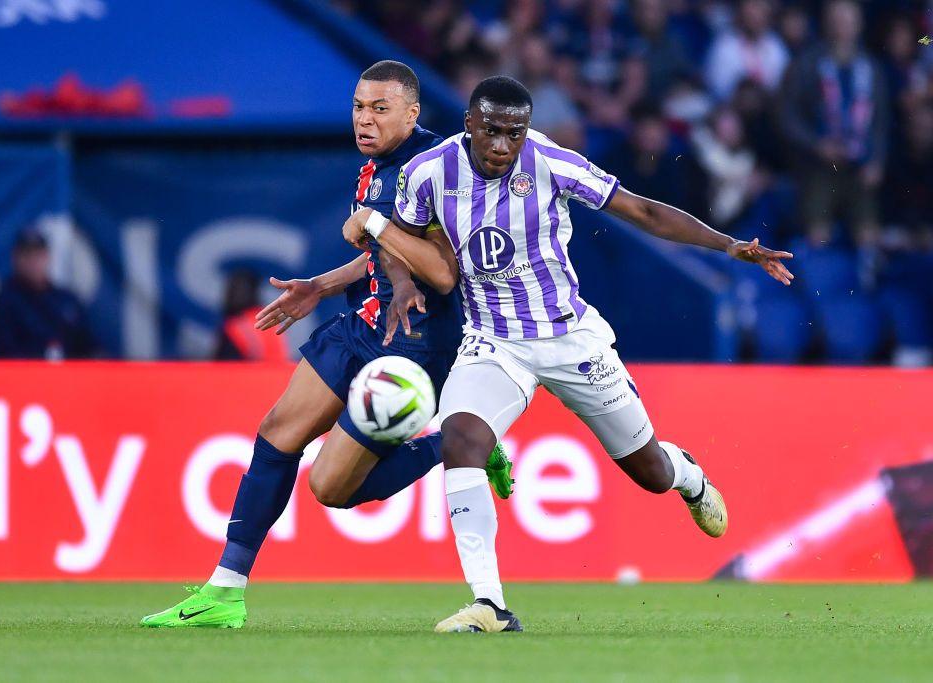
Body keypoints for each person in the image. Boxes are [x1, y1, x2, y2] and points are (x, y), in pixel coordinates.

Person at [344, 76, 794, 633]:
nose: (503, 147)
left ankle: (689, 477)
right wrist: (403, 281)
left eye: (515, 133)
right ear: (469, 125)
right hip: (494, 341)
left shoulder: (551, 162)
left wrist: (729, 245)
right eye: (492, 133)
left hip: (569, 338)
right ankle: (489, 605)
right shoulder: (428, 171)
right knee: (460, 439)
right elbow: (399, 237)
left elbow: (644, 212)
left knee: (648, 471)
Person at [140, 61, 512, 629]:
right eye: (359, 107)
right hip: (360, 328)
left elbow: (442, 272)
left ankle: (458, 445)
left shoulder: (435, 169)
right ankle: (225, 592)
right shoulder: (374, 168)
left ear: (412, 113)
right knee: (277, 432)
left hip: (414, 349)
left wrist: (379, 232)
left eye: (379, 109)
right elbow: (384, 252)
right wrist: (321, 285)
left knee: (330, 489)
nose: (365, 119)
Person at [779, 0, 889, 247]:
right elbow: (787, 117)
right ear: (827, 24)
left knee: (869, 236)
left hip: (860, 165)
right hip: (819, 165)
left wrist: (877, 159)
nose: (843, 27)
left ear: (859, 24)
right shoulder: (807, 64)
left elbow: (881, 119)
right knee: (818, 235)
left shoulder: (871, 67)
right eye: (837, 21)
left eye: (848, 21)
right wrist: (816, 145)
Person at [0, 229, 97, 359]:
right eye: (27, 255)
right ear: (15, 259)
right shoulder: (4, 302)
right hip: (25, 376)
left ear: (47, 257)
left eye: (38, 255)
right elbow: (4, 354)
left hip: (68, 376)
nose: (33, 262)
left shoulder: (66, 299)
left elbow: (88, 345)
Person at [212, 269, 289, 362]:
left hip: (255, 374)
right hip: (281, 374)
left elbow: (223, 365)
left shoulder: (237, 325)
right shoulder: (271, 319)